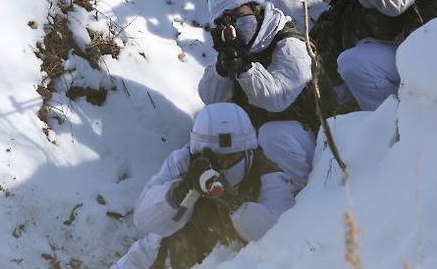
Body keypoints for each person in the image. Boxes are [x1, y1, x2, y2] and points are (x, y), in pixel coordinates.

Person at [114, 102, 303, 269]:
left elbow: (277, 236)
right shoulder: (183, 162)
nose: (223, 164)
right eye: (215, 157)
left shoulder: (266, 173)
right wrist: (174, 195)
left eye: (231, 157)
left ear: (247, 151)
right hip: (170, 251)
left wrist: (232, 203)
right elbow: (143, 221)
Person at [198, 0, 316, 191]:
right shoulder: (238, 47)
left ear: (254, 8)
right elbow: (211, 99)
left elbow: (276, 99)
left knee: (272, 135)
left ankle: (309, 191)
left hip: (307, 134)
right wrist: (222, 69)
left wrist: (245, 68)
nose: (233, 22)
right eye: (226, 19)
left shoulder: (288, 44)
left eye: (238, 13)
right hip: (263, 137)